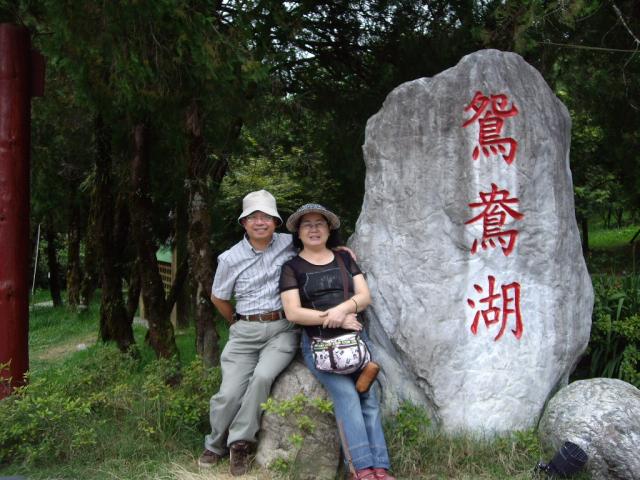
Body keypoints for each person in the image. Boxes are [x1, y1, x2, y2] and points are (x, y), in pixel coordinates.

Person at [279, 203, 396, 480]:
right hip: (319, 345)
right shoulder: (291, 267)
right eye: (307, 224)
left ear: (329, 229)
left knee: (368, 396)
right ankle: (360, 469)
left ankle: (381, 466)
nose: (314, 229)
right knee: (347, 396)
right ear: (298, 232)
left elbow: (364, 296)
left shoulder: (344, 260)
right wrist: (334, 318)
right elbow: (293, 312)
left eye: (319, 223)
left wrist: (342, 311)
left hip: (355, 341)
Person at [198, 189, 300, 476]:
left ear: (276, 221)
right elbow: (218, 296)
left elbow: (320, 245)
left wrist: (342, 250)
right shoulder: (230, 258)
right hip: (244, 330)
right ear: (244, 222)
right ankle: (214, 443)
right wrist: (235, 322)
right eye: (253, 217)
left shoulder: (289, 244)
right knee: (228, 394)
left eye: (266, 216)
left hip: (282, 329)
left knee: (262, 378)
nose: (260, 222)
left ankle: (239, 443)